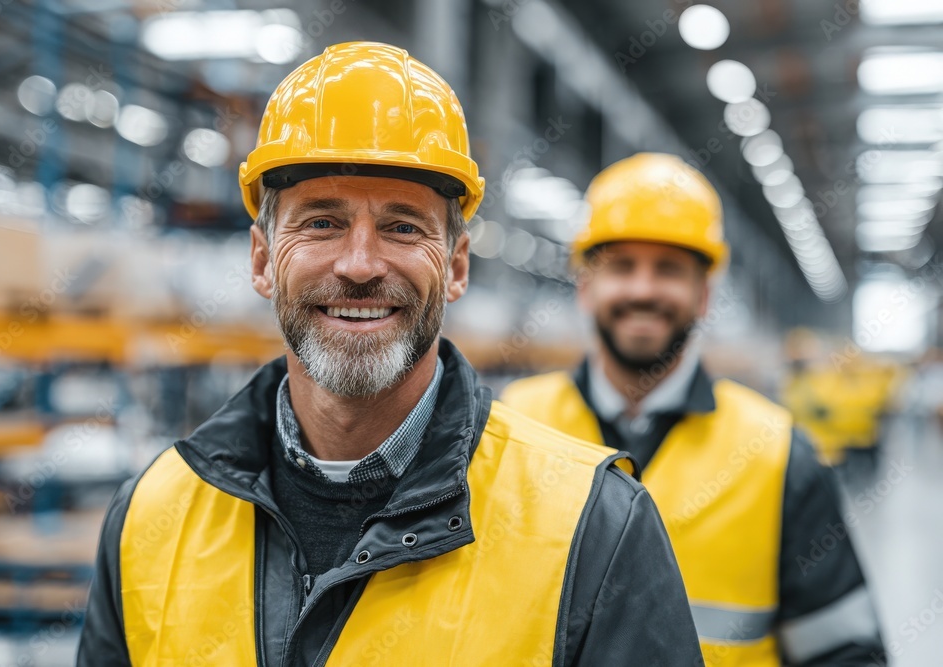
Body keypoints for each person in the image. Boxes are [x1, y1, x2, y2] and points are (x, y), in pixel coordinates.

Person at [77, 43, 703, 666]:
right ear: (263, 259)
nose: (358, 266)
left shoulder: (596, 531)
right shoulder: (148, 518)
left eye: (403, 227)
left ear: (456, 267)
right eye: (321, 222)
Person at [501, 153, 886, 666]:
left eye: (668, 269)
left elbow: (844, 651)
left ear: (704, 295)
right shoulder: (507, 429)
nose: (643, 289)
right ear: (586, 288)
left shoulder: (778, 455)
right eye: (621, 266)